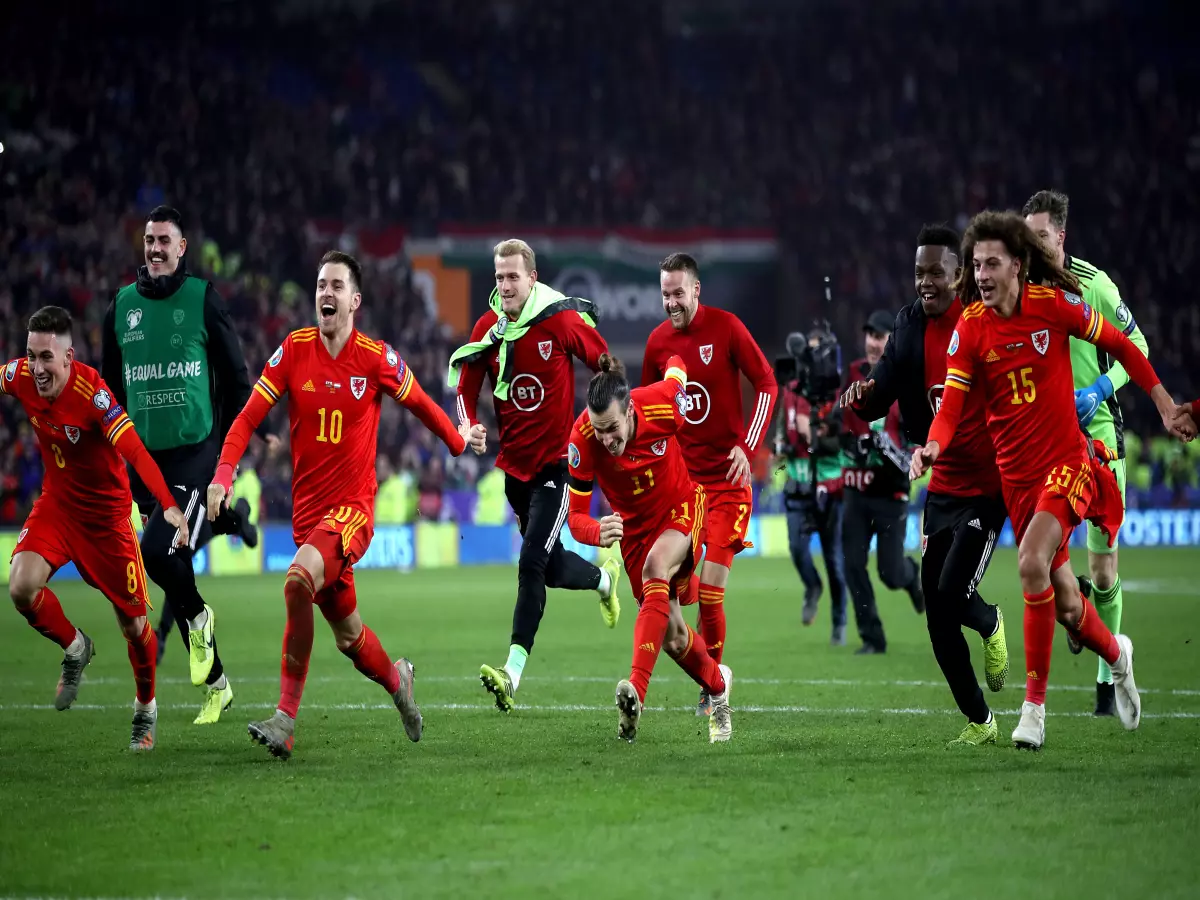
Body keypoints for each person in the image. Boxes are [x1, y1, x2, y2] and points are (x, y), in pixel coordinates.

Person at [911, 210, 1193, 750]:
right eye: (977, 264)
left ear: (1018, 265)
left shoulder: (1053, 306)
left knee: (1031, 561)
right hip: (1016, 482)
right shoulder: (972, 326)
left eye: (993, 262)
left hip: (1066, 464)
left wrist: (1162, 404)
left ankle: (1033, 711)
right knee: (1066, 604)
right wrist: (933, 446)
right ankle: (1117, 655)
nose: (983, 273)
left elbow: (1123, 345)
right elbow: (949, 407)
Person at [207, 251, 476, 759]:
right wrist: (224, 474)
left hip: (352, 512)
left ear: (354, 300)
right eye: (319, 285)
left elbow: (421, 404)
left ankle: (286, 718)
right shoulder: (293, 351)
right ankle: (399, 681)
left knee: (296, 582)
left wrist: (460, 442)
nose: (324, 294)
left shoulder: (374, 357)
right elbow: (244, 419)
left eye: (335, 286)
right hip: (308, 520)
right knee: (350, 637)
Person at [840, 226, 1009, 746]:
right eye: (919, 273)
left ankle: (989, 621)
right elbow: (883, 387)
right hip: (942, 488)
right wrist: (861, 399)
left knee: (953, 593)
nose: (925, 283)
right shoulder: (908, 326)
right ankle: (981, 722)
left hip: (988, 484)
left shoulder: (984, 324)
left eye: (936, 272)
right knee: (936, 618)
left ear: (959, 275)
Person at [101, 205, 265, 725]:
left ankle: (198, 618)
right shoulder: (121, 307)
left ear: (182, 247)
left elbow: (239, 382)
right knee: (175, 560)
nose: (154, 248)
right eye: (149, 240)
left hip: (197, 455)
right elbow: (110, 394)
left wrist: (230, 457)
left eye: (164, 240)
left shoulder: (203, 300)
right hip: (145, 465)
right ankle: (216, 680)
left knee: (158, 552)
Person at [4, 306, 190, 750]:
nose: (37, 367)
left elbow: (137, 452)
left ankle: (146, 709)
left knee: (134, 626)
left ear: (68, 356)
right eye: (32, 355)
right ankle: (75, 648)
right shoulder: (21, 376)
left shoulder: (94, 395)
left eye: (47, 357)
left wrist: (167, 504)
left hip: (107, 522)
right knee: (21, 588)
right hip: (58, 507)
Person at [449, 238, 621, 712]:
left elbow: (604, 364)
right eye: (499, 277)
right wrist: (470, 425)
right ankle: (606, 582)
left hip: (554, 469)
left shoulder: (558, 320)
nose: (504, 285)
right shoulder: (491, 327)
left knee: (530, 564)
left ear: (532, 278)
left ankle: (512, 673)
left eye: (512, 277)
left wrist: (610, 426)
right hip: (514, 474)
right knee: (547, 563)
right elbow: (465, 387)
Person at [1024, 190, 1151, 716]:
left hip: (1098, 437)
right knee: (1043, 562)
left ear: (1061, 236)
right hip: (1045, 443)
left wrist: (1099, 388)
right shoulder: (1018, 289)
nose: (1033, 244)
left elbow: (1137, 345)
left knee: (1102, 571)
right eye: (1026, 236)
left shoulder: (1093, 285)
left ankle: (1107, 677)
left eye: (1041, 236)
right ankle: (1077, 612)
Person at [566, 353, 732, 743]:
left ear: (630, 411)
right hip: (636, 533)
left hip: (682, 508)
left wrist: (673, 354)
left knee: (656, 567)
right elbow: (575, 518)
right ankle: (719, 687)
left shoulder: (662, 405)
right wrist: (596, 530)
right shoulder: (582, 440)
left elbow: (677, 372)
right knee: (673, 637)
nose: (606, 439)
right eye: (598, 429)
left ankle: (635, 695)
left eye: (612, 428)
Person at [641, 252, 777, 715]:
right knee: (682, 592)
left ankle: (712, 687)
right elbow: (646, 413)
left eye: (678, 293)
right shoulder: (658, 344)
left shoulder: (727, 328)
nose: (671, 302)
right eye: (665, 294)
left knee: (713, 591)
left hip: (727, 484)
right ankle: (708, 672)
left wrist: (749, 445)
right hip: (682, 491)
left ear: (697, 289)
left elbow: (767, 382)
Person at [839, 311, 924, 655]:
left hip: (891, 492)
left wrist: (885, 447)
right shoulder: (851, 374)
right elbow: (838, 423)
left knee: (890, 574)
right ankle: (872, 638)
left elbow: (914, 442)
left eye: (881, 335)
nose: (874, 342)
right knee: (853, 566)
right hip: (856, 491)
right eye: (870, 335)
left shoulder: (908, 379)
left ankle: (911, 578)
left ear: (893, 340)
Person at [778, 329, 848, 643]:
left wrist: (815, 436)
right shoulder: (791, 390)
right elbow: (783, 426)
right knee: (796, 547)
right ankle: (812, 585)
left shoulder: (837, 394)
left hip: (831, 485)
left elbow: (842, 440)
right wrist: (782, 441)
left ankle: (839, 623)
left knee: (834, 558)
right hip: (797, 482)